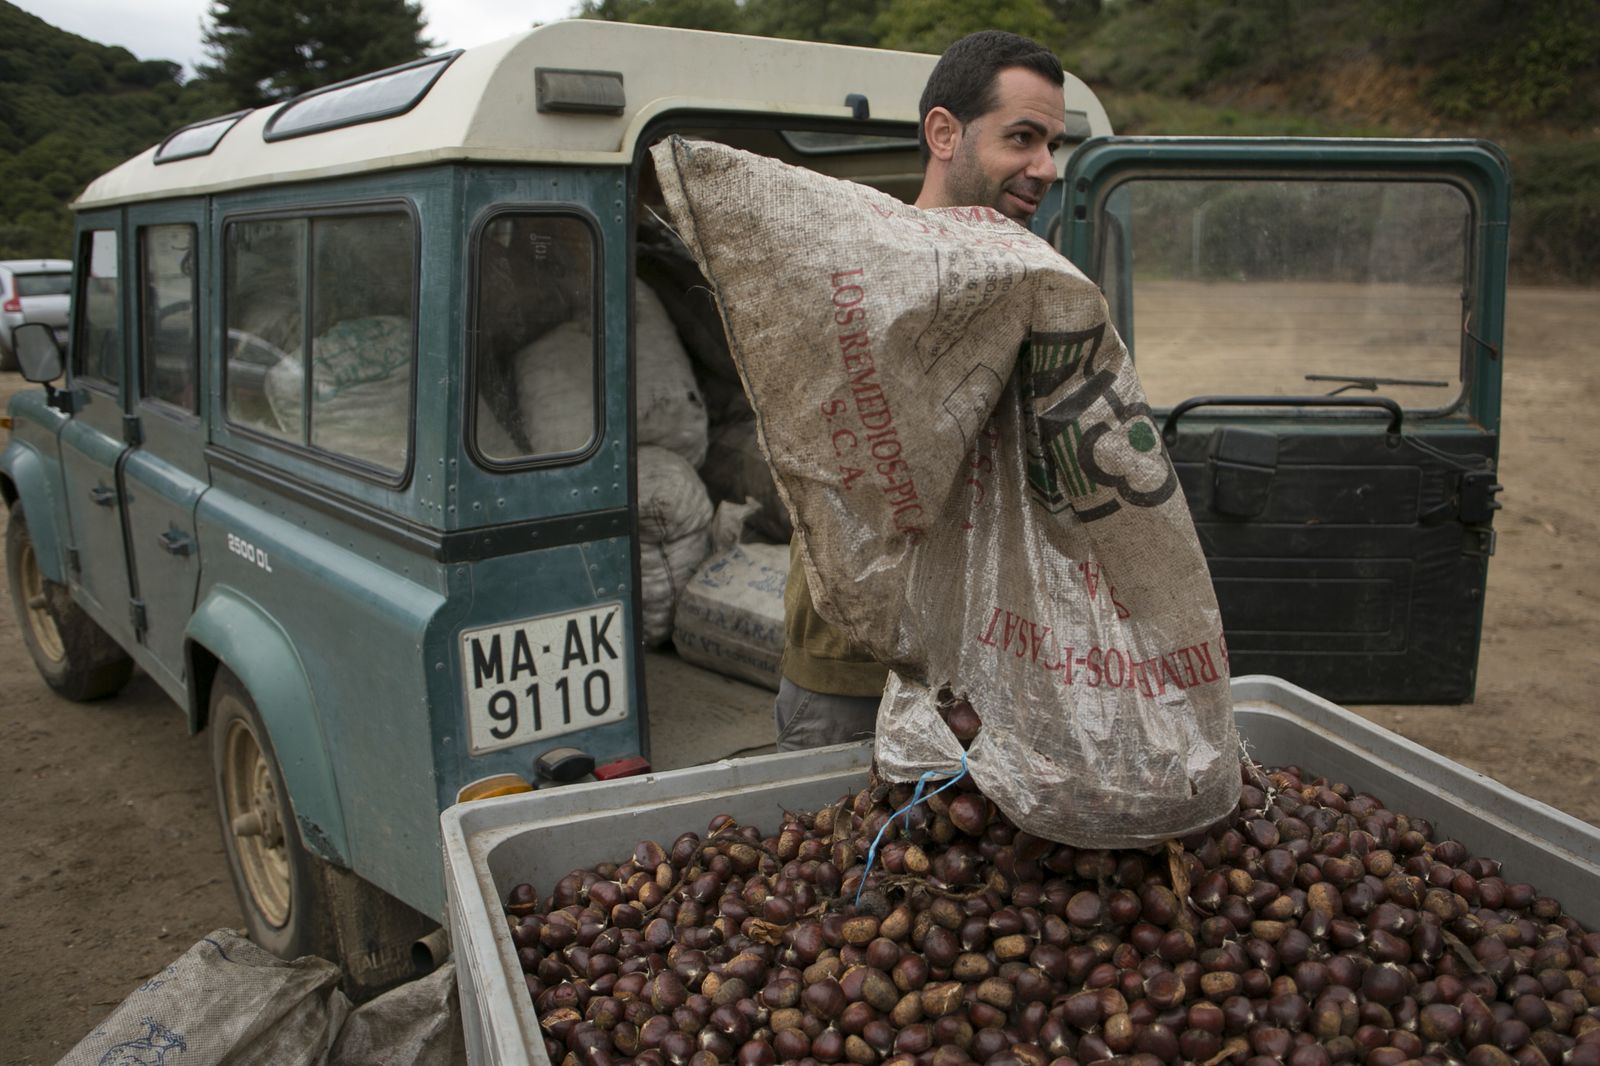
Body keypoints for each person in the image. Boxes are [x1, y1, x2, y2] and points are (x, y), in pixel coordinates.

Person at [774, 30, 1071, 750]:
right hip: (855, 670)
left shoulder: (1035, 282)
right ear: (945, 132)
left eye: (1053, 145)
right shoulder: (852, 274)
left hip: (993, 662)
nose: (1047, 168)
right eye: (1023, 138)